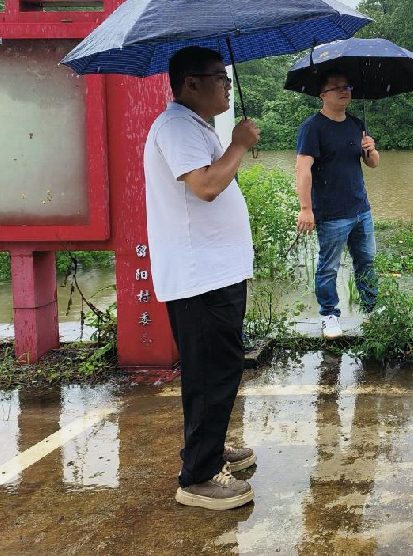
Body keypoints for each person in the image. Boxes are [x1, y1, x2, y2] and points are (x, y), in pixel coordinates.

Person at [144, 45, 261, 511]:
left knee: (219, 370)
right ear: (191, 83)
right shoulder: (176, 127)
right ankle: (198, 476)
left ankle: (209, 449)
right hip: (200, 277)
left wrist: (231, 145)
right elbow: (207, 187)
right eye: (220, 77)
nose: (227, 85)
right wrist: (239, 145)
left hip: (215, 273)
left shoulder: (194, 127)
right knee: (210, 373)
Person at [295, 71, 380, 340]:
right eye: (337, 88)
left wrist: (371, 149)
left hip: (360, 209)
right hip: (331, 213)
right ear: (323, 95)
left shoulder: (357, 123)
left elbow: (373, 164)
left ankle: (371, 310)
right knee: (328, 267)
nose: (345, 91)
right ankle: (329, 315)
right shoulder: (313, 127)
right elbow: (302, 169)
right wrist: (306, 208)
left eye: (348, 86)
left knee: (366, 261)